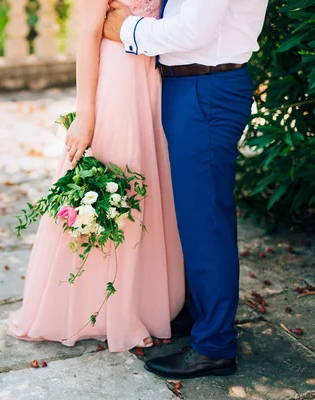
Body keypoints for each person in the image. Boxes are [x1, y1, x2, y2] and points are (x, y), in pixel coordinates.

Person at [7, 0, 186, 353]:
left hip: (156, 78)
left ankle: (144, 303)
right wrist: (86, 112)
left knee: (149, 186)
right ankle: (108, 312)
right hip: (118, 80)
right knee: (120, 183)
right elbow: (87, 34)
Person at [103, 0, 268, 379]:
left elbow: (191, 31)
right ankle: (201, 315)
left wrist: (126, 28)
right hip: (189, 87)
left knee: (205, 221)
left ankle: (215, 346)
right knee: (191, 217)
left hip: (206, 90)